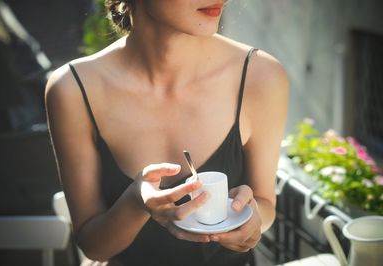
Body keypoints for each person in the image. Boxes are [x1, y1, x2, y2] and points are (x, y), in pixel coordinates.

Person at [45, 0, 289, 265]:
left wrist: (251, 217)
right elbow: (95, 248)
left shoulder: (260, 75)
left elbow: (265, 205)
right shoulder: (72, 90)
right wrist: (136, 203)